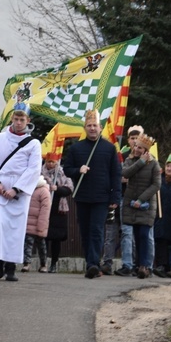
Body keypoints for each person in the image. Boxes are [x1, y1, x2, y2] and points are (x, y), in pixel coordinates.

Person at [63, 109, 122, 279]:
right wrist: (77, 170)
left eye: (95, 125)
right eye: (89, 125)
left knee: (96, 230)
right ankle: (91, 262)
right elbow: (67, 170)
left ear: (100, 127)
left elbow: (116, 174)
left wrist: (115, 197)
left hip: (101, 197)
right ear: (85, 127)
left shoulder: (110, 149)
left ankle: (93, 264)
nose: (92, 128)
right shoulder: (76, 148)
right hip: (82, 196)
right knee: (86, 231)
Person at [0, 102, 42, 281]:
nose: (19, 122)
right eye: (16, 119)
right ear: (12, 118)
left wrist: (17, 189)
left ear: (28, 120)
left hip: (19, 189)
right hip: (0, 186)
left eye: (22, 119)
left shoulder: (33, 143)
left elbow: (33, 169)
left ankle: (11, 267)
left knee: (15, 229)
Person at [119, 133, 161, 279]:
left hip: (147, 204)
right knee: (135, 234)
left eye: (140, 147)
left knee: (144, 234)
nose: (136, 149)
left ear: (146, 150)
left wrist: (141, 199)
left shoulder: (154, 164)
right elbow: (125, 173)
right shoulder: (130, 161)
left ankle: (145, 265)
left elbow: (156, 184)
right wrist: (140, 162)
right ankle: (137, 266)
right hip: (130, 203)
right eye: (136, 146)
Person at [107, 125, 143, 275]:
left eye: (137, 138)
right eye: (132, 138)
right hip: (119, 196)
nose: (135, 141)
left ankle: (133, 263)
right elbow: (116, 174)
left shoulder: (145, 156)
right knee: (111, 232)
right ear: (128, 140)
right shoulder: (121, 155)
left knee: (133, 233)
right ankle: (109, 262)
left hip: (137, 199)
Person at [42, 152, 74, 273]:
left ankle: (54, 263)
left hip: (59, 209)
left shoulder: (62, 172)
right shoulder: (40, 172)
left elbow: (69, 189)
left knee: (56, 238)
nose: (50, 164)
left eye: (53, 162)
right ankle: (43, 262)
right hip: (44, 207)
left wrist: (58, 189)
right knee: (43, 236)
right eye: (48, 161)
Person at [22, 176, 52, 273]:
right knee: (28, 244)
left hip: (39, 223)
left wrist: (42, 225)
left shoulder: (44, 191)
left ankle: (43, 264)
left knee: (41, 245)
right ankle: (26, 263)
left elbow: (45, 210)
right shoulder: (28, 190)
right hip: (28, 223)